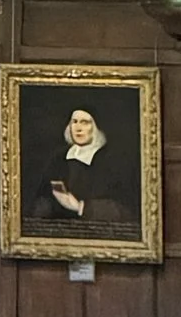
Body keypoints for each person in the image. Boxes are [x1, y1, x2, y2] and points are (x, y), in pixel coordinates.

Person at [29, 100, 133, 236]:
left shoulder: (111, 160)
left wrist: (81, 207)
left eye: (85, 122)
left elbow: (124, 209)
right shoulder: (58, 158)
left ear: (95, 128)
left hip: (97, 233)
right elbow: (42, 196)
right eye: (75, 121)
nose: (78, 128)